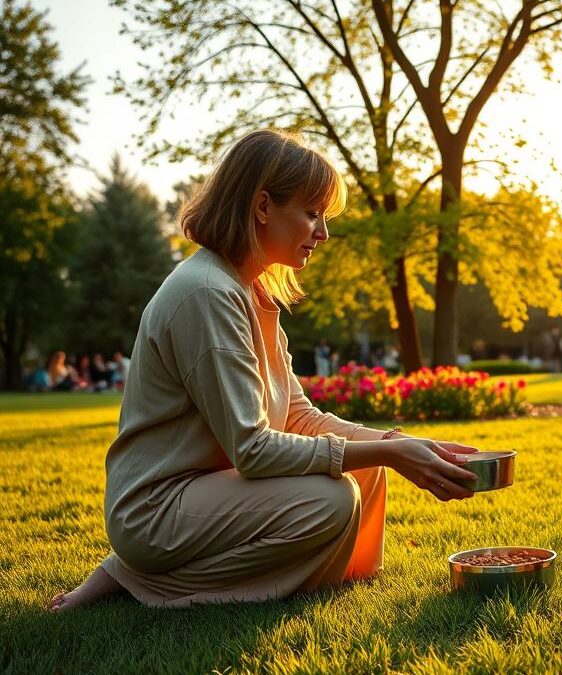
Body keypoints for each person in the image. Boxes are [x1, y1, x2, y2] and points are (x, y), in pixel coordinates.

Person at [48, 129, 478, 613]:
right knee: (329, 500)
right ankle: (154, 584)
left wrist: (394, 445)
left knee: (370, 467)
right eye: (312, 213)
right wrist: (393, 451)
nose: (324, 232)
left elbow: (295, 414)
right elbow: (252, 448)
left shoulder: (250, 291)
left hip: (206, 491)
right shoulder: (207, 293)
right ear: (263, 206)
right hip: (157, 509)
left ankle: (341, 583)